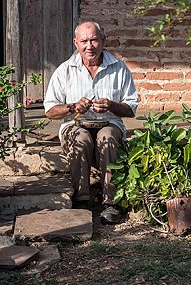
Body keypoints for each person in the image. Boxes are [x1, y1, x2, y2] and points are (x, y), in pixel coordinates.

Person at [44, 21, 139, 224]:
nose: (90, 46)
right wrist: (72, 107)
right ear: (76, 44)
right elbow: (50, 111)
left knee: (108, 137)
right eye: (84, 41)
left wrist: (112, 105)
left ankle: (111, 203)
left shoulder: (119, 69)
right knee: (81, 138)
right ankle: (81, 200)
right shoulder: (65, 70)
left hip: (109, 124)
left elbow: (131, 108)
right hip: (76, 126)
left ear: (103, 41)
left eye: (94, 40)